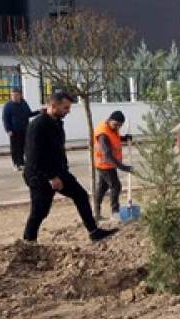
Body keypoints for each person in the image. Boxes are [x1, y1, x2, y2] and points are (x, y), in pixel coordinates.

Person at [22, 91, 117, 243]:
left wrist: (62, 170)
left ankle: (94, 231)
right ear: (53, 106)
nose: (68, 111)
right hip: (40, 175)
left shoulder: (57, 123)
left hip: (59, 172)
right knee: (40, 211)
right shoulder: (38, 126)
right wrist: (51, 177)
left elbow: (57, 149)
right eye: (65, 108)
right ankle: (28, 242)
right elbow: (33, 156)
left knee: (80, 195)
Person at [93, 110, 134, 219]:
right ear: (109, 120)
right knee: (116, 186)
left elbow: (114, 138)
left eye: (120, 126)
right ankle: (115, 211)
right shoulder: (103, 134)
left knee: (102, 187)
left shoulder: (111, 128)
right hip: (105, 164)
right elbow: (107, 155)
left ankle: (96, 212)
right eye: (116, 125)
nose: (117, 128)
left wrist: (125, 138)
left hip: (107, 164)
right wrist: (123, 167)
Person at [1, 88, 38, 171]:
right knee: (15, 148)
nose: (14, 97)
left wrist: (39, 112)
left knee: (25, 147)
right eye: (12, 95)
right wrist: (8, 130)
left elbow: (29, 114)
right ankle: (16, 164)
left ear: (20, 95)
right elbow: (5, 119)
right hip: (14, 131)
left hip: (25, 129)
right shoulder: (8, 106)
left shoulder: (24, 103)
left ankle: (22, 162)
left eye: (16, 95)